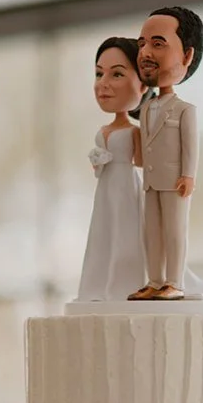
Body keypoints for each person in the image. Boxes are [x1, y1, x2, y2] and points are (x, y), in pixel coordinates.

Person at [129, 6, 203, 302]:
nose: (145, 53)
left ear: (187, 56)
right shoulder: (147, 106)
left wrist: (188, 175)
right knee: (152, 233)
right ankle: (155, 280)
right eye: (142, 44)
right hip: (150, 181)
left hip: (175, 182)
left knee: (174, 232)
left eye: (158, 44)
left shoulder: (185, 110)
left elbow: (191, 145)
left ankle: (174, 281)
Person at [75, 37, 148, 302]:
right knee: (104, 232)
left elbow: (141, 162)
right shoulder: (104, 129)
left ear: (142, 85)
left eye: (116, 74)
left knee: (126, 231)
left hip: (126, 185)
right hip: (105, 186)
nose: (103, 83)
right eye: (99, 74)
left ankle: (126, 282)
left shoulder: (134, 131)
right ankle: (99, 283)